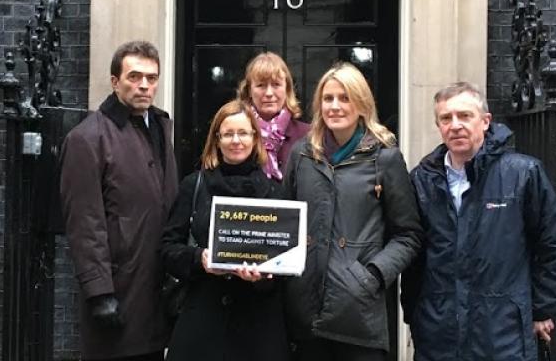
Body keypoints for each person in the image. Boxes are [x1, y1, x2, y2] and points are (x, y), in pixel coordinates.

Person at [402, 82, 556, 360]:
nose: (455, 125)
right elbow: (414, 253)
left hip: (501, 332)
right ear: (438, 126)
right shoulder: (421, 180)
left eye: (464, 116)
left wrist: (542, 308)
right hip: (438, 330)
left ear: (485, 122)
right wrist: (414, 311)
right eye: (446, 118)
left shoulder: (523, 174)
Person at [282, 62, 424, 361]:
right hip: (304, 310)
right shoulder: (302, 154)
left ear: (361, 103)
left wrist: (372, 275)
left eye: (344, 98)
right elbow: (285, 222)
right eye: (328, 98)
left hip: (357, 313)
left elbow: (408, 235)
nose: (335, 106)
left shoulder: (385, 158)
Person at [60, 40, 177, 361]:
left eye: (151, 78)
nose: (144, 85)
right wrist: (100, 292)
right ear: (115, 82)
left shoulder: (160, 126)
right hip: (118, 292)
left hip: (155, 290)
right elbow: (85, 222)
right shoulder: (86, 138)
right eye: (134, 77)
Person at [160, 99, 288, 361]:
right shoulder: (193, 186)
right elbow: (167, 248)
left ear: (255, 137)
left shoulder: (275, 192)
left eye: (243, 132)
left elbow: (286, 265)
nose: (236, 140)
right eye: (228, 133)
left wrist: (263, 278)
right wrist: (199, 259)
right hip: (202, 325)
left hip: (257, 329)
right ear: (216, 140)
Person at [236, 51, 311, 181]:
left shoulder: (308, 135)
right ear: (249, 91)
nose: (269, 93)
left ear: (287, 90)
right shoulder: (235, 133)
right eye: (261, 85)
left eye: (276, 84)